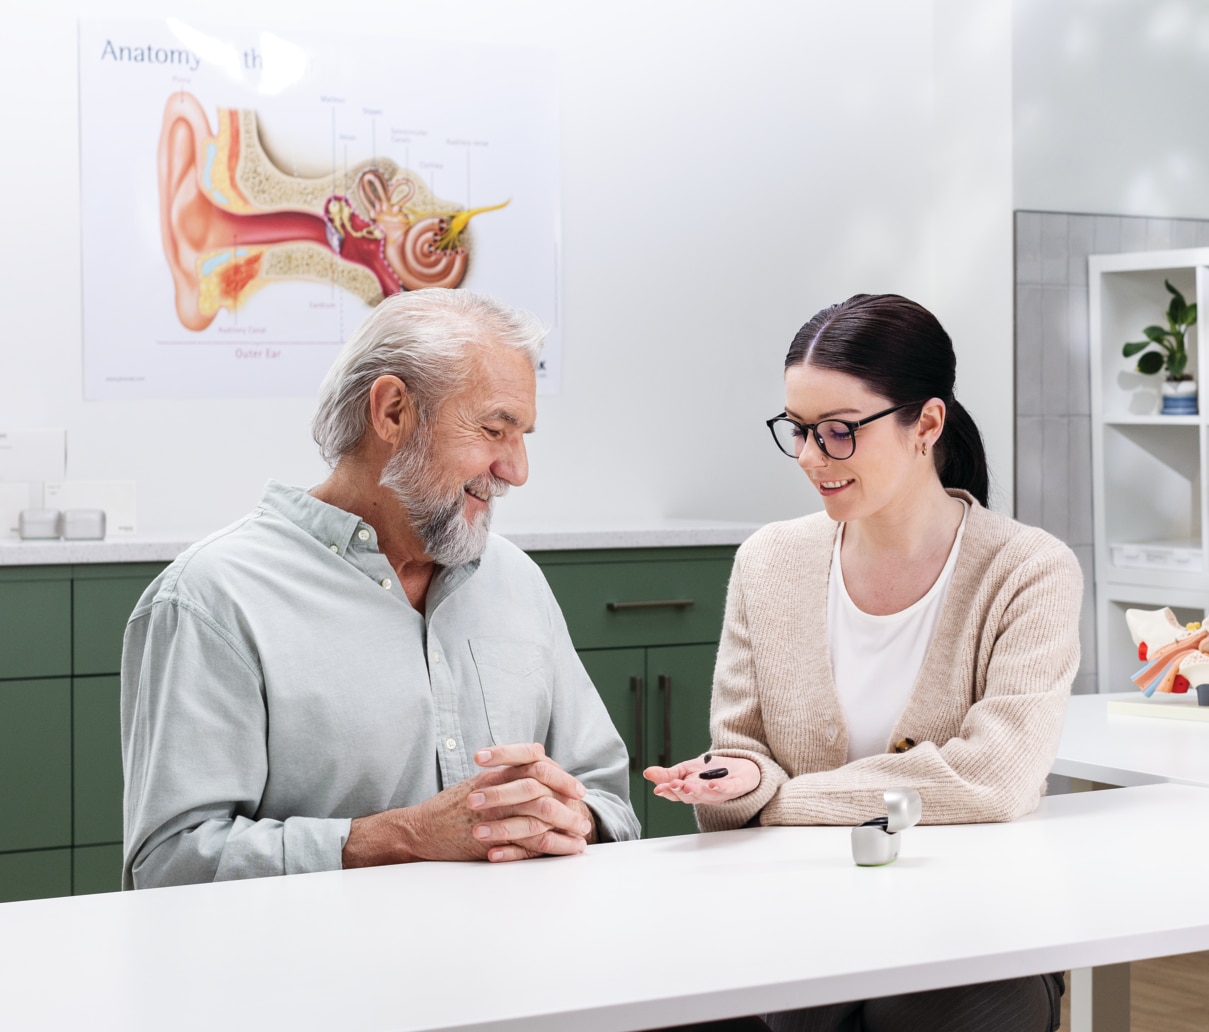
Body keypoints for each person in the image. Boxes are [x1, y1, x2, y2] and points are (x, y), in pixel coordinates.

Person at [644, 293, 1080, 1032]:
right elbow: (744, 751)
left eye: (839, 431)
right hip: (791, 912)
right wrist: (735, 778)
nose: (812, 458)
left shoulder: (1027, 570)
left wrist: (774, 803)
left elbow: (993, 780)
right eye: (798, 430)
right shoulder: (769, 561)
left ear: (927, 425)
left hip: (969, 922)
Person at [120, 288, 639, 889]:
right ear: (393, 411)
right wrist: (404, 838)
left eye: (522, 435)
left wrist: (571, 815)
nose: (517, 470)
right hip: (314, 978)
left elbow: (607, 798)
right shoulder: (212, 598)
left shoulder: (516, 580)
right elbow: (170, 864)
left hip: (512, 969)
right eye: (495, 430)